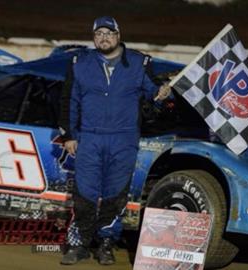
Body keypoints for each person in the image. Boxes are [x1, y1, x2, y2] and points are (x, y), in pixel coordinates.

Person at [59, 16, 171, 265]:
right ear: (93, 37)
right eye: (98, 33)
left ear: (119, 35)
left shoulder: (139, 62)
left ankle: (106, 244)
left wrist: (162, 93)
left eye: (109, 33)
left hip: (124, 139)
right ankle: (79, 244)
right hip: (89, 138)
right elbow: (69, 101)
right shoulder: (79, 62)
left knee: (115, 195)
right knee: (84, 194)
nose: (104, 37)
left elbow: (154, 94)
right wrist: (69, 135)